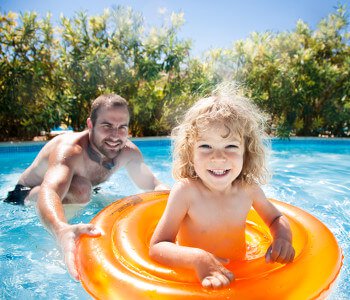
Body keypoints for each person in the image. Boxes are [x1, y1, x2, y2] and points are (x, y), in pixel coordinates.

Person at [4, 93, 168, 281]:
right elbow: (51, 191)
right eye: (107, 126)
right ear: (90, 125)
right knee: (82, 189)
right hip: (25, 195)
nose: (115, 136)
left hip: (83, 190)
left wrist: (169, 196)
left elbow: (151, 184)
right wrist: (60, 230)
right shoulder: (71, 150)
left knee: (123, 204)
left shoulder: (128, 152)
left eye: (122, 127)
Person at [149, 87, 295, 289]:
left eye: (231, 147)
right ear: (190, 154)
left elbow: (276, 218)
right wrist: (198, 258)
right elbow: (157, 246)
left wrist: (283, 238)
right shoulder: (186, 192)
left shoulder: (248, 189)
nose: (218, 157)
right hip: (195, 280)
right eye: (206, 146)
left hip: (241, 273)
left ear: (247, 153)